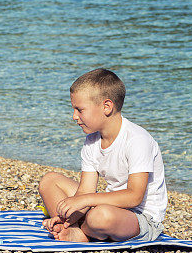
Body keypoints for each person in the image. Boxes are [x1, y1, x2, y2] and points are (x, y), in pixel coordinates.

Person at [38, 68, 168, 242]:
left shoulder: (137, 139)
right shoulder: (92, 141)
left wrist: (84, 201)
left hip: (139, 218)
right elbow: (85, 190)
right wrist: (68, 217)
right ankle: (71, 228)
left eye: (80, 110)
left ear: (106, 107)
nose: (74, 116)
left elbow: (134, 196)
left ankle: (82, 233)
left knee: (100, 216)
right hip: (107, 206)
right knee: (49, 181)